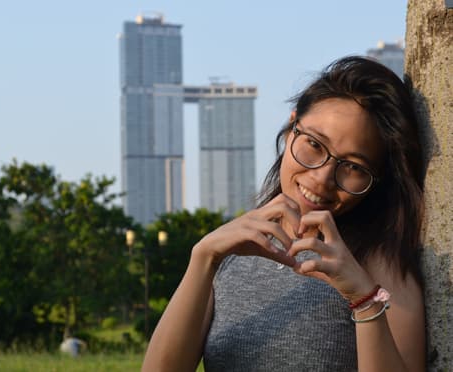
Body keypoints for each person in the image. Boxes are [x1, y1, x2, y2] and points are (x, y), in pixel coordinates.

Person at [142, 56, 425, 372]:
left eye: (353, 167)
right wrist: (203, 256)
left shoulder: (381, 267)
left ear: (377, 179)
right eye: (314, 145)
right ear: (292, 126)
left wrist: (363, 298)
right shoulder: (232, 252)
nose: (322, 178)